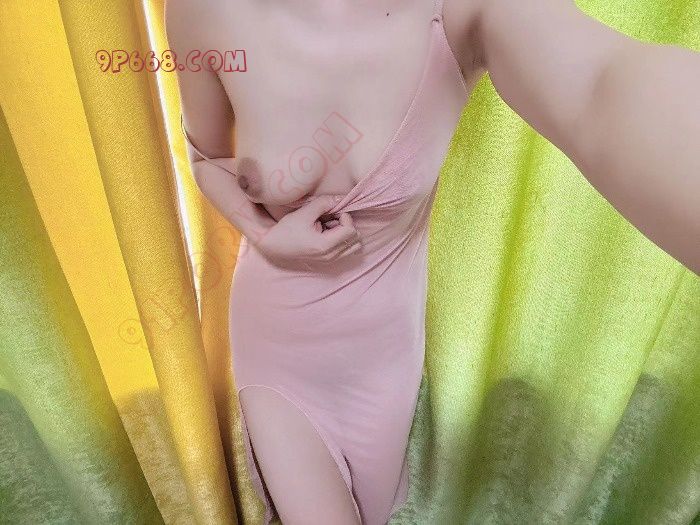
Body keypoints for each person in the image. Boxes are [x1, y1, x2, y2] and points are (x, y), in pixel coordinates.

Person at [165, 0, 700, 523]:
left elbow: (599, 86)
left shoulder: (464, 11)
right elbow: (204, 157)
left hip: (383, 358)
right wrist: (265, 235)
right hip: (278, 346)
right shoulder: (201, 8)